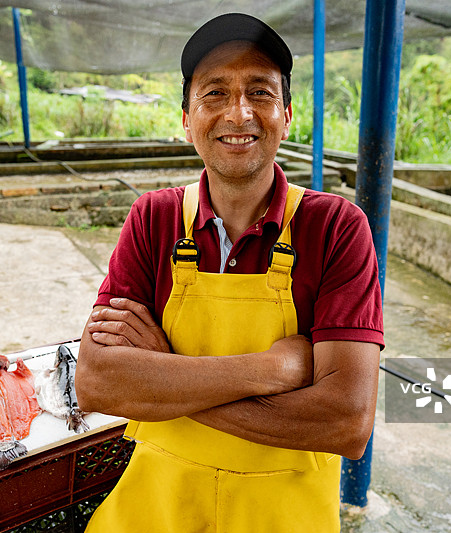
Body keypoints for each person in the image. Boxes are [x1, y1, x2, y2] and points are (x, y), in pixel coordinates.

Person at [75, 12, 383, 532]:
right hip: (157, 511)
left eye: (259, 92)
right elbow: (98, 381)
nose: (238, 114)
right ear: (186, 118)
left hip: (283, 517)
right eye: (214, 93)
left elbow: (347, 421)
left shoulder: (334, 228)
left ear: (287, 115)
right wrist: (270, 370)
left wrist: (162, 375)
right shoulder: (154, 219)